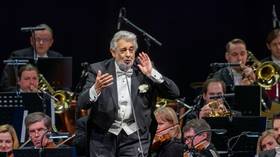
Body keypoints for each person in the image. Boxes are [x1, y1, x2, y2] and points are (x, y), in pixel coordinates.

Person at [77, 30, 180, 157]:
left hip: (135, 137)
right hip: (103, 138)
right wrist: (96, 88)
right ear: (113, 52)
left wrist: (152, 73)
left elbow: (174, 93)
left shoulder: (144, 69)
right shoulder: (98, 69)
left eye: (131, 50)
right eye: (123, 50)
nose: (128, 54)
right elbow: (82, 103)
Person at [0, 23, 63, 92]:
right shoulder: (17, 56)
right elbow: (5, 84)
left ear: (51, 42)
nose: (41, 43)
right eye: (38, 39)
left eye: (45, 40)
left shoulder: (58, 57)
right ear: (31, 41)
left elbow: (65, 86)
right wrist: (24, 91)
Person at [262, 28, 280, 102]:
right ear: (268, 46)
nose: (278, 48)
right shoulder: (262, 65)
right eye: (274, 44)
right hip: (271, 106)